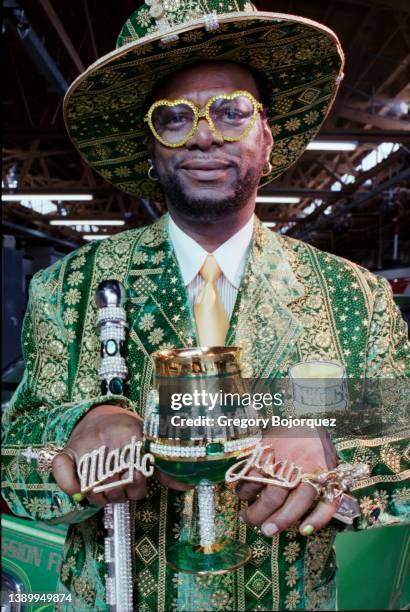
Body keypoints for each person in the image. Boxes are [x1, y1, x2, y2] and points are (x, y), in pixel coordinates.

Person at [2, 2, 409, 610]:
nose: (203, 134)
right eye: (174, 117)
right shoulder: (71, 288)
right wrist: (74, 429)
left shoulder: (355, 295)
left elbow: (401, 417)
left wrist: (333, 440)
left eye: (231, 112)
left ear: (267, 137)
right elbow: (13, 452)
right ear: (151, 143)